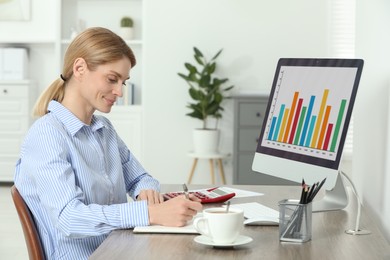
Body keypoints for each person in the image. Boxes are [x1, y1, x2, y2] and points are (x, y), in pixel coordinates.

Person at [14, 27, 203, 260]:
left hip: (122, 248)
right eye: (112, 79)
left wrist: (147, 193)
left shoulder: (103, 129)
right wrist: (149, 213)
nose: (120, 92)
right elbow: (69, 218)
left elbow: (141, 178)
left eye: (123, 82)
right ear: (80, 68)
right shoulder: (46, 136)